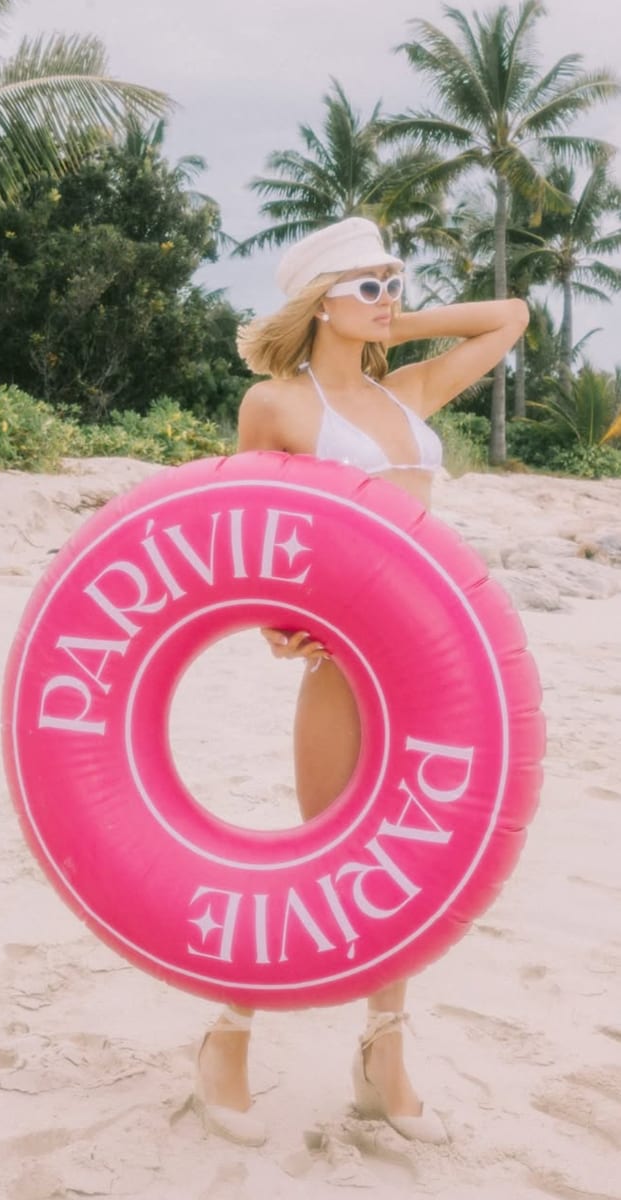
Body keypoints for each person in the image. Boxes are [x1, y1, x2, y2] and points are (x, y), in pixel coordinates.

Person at [192, 216, 529, 1147]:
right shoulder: (280, 406)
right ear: (320, 300)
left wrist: (387, 319)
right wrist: (269, 620)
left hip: (434, 670)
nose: (390, 296)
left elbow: (507, 318)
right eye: (369, 285)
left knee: (409, 870)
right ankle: (227, 1035)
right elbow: (247, 528)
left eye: (395, 281)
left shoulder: (411, 396)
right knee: (314, 856)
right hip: (343, 663)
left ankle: (382, 1057)